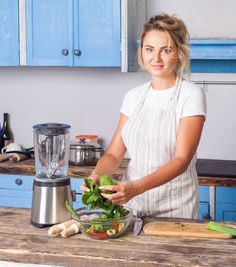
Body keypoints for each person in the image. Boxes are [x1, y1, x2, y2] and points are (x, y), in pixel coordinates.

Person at [81, 13, 206, 219]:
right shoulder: (134, 97)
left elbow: (182, 160)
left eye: (165, 50)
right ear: (142, 51)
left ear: (178, 53)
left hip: (175, 206)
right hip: (132, 205)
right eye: (149, 49)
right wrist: (96, 175)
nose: (156, 59)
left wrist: (136, 188)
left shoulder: (191, 95)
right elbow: (113, 155)